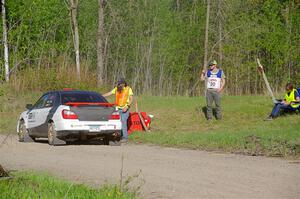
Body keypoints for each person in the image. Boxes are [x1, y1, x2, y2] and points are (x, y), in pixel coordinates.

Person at [103, 78, 133, 142]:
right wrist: (101, 96)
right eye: (118, 83)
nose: (119, 85)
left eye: (120, 83)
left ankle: (125, 137)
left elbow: (131, 99)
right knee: (117, 123)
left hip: (125, 109)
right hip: (117, 109)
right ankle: (119, 136)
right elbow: (109, 93)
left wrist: (127, 106)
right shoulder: (116, 89)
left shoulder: (128, 89)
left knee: (123, 122)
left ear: (124, 83)